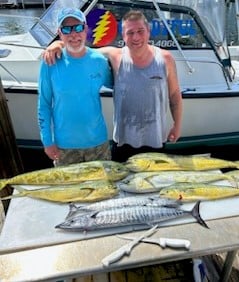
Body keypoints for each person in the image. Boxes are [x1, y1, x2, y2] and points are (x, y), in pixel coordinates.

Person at [43, 10, 182, 162]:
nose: (135, 37)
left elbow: (174, 94)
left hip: (156, 139)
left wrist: (177, 124)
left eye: (140, 31)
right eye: (130, 33)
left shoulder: (166, 58)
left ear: (148, 31)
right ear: (123, 35)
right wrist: (59, 43)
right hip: (123, 142)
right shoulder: (115, 56)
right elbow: (81, 50)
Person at [38, 7, 113, 166]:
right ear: (60, 33)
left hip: (98, 145)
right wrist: (47, 141)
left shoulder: (99, 61)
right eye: (67, 29)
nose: (73, 34)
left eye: (78, 27)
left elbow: (117, 85)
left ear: (85, 29)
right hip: (64, 147)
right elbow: (44, 105)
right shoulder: (49, 62)